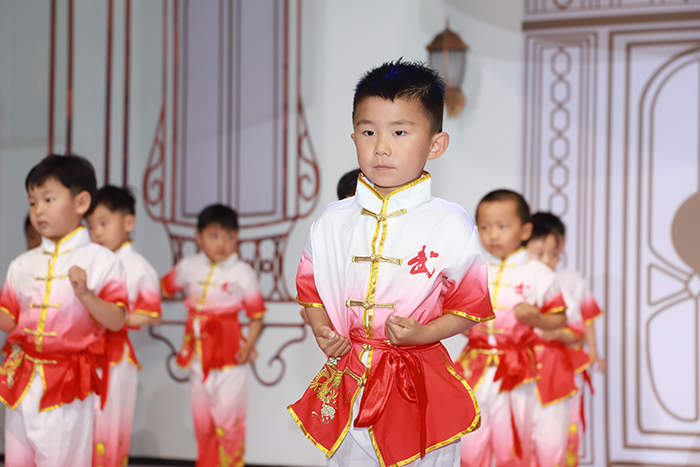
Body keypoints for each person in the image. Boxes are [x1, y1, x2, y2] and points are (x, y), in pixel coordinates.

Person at [289, 59, 494, 467]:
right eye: (368, 132)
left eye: (399, 132)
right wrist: (321, 329)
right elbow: (311, 293)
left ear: (435, 145)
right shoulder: (333, 220)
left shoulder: (450, 223)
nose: (381, 147)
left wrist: (425, 332)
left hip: (418, 387)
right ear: (354, 137)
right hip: (349, 379)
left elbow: (470, 308)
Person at [0, 154, 128, 467]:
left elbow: (117, 319)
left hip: (67, 383)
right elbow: (9, 320)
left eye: (48, 199)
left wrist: (85, 294)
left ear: (81, 202)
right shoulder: (22, 264)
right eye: (32, 202)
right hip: (22, 378)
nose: (38, 210)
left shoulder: (102, 260)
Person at [456, 189, 567, 467]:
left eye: (503, 226)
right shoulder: (472, 269)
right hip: (475, 367)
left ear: (526, 230)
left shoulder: (540, 274)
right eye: (485, 227)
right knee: (469, 441)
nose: (493, 235)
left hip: (517, 372)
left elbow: (560, 318)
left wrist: (537, 320)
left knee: (513, 445)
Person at [161, 204, 266, 467]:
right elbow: (161, 290)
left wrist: (249, 345)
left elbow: (257, 316)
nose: (221, 244)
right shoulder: (188, 266)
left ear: (237, 238)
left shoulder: (242, 272)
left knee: (230, 422)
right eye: (214, 236)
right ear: (198, 237)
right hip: (198, 357)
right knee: (203, 421)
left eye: (229, 237)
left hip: (230, 357)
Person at [86, 185, 162, 467]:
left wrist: (115, 317)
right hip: (87, 356)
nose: (97, 232)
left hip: (117, 360)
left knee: (112, 428)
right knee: (86, 429)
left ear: (128, 222)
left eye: (104, 223)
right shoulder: (90, 263)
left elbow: (153, 315)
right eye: (91, 225)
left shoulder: (138, 267)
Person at [526, 212, 604, 467]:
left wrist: (594, 351)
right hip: (525, 367)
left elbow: (584, 321)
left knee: (559, 431)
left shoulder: (570, 280)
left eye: (553, 253)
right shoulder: (516, 280)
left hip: (562, 365)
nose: (547, 260)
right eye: (539, 252)